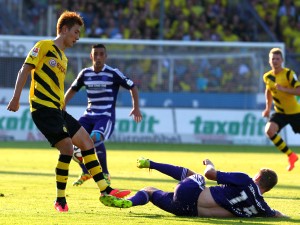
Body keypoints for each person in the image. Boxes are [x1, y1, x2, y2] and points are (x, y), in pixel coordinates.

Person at [6, 11, 130, 212]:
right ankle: (61, 201)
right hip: (42, 109)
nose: (77, 37)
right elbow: (25, 70)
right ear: (64, 30)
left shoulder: (63, 58)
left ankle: (105, 191)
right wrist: (15, 97)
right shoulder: (44, 46)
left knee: (87, 142)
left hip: (57, 109)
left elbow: (57, 86)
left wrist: (62, 104)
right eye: (75, 32)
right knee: (67, 149)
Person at [99, 157, 287, 218]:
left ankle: (151, 165)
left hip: (190, 195)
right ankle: (128, 202)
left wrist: (210, 163)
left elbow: (210, 175)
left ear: (258, 177)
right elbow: (278, 215)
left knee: (196, 176)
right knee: (150, 191)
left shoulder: (246, 180)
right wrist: (284, 216)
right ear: (267, 189)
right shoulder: (263, 209)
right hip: (188, 212)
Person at [64, 44, 142, 186]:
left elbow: (132, 86)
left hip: (105, 116)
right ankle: (86, 172)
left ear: (105, 57)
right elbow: (73, 89)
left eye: (101, 54)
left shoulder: (113, 73)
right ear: (91, 56)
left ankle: (105, 173)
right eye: (96, 54)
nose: (98, 57)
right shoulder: (85, 73)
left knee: (94, 138)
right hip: (88, 115)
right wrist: (61, 106)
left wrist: (136, 107)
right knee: (70, 140)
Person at [262, 47, 299, 171]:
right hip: (280, 112)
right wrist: (267, 108)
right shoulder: (267, 77)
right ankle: (291, 156)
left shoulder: (289, 74)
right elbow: (268, 91)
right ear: (269, 61)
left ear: (282, 60)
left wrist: (284, 89)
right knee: (269, 130)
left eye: (277, 58)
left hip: (295, 112)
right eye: (273, 58)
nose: (275, 61)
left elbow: (299, 90)